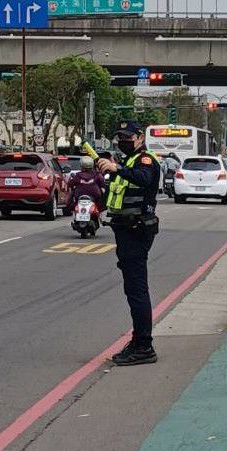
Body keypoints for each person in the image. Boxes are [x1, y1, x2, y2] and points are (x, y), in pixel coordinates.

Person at [96, 121, 161, 366]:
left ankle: (144, 345)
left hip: (136, 231)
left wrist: (116, 168)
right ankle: (138, 340)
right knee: (132, 289)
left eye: (127, 137)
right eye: (120, 137)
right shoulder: (128, 162)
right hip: (124, 230)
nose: (123, 141)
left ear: (140, 138)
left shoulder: (145, 160)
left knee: (137, 290)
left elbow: (144, 179)